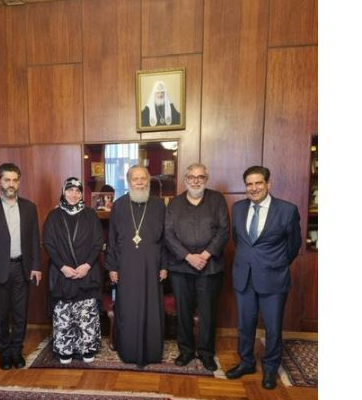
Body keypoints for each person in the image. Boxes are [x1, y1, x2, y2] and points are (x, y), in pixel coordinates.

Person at [225, 166, 301, 390]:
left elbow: (293, 246)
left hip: (273, 278)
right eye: (249, 184)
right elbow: (238, 240)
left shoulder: (287, 210)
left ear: (269, 184)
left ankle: (270, 369)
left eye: (258, 183)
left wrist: (275, 263)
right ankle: (246, 363)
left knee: (273, 328)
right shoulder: (238, 208)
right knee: (245, 325)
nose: (254, 188)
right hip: (244, 277)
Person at [0, 163, 42, 370]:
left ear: (19, 182)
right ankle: (4, 352)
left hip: (22, 268)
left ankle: (16, 351)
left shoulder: (29, 208)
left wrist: (36, 266)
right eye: (7, 180)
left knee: (21, 314)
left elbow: (34, 239)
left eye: (14, 180)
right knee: (1, 314)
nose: (11, 184)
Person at [164, 163, 229, 372]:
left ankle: (206, 353)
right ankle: (185, 351)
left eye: (200, 177)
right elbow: (168, 234)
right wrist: (188, 257)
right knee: (183, 311)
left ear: (206, 179)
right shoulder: (175, 203)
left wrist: (205, 254)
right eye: (191, 177)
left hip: (210, 266)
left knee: (208, 312)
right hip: (181, 267)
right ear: (185, 179)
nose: (196, 181)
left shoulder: (217, 199)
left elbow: (224, 230)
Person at [106, 165, 168, 367]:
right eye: (135, 179)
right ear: (129, 182)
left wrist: (164, 266)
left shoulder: (159, 205)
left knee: (151, 308)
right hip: (126, 266)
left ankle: (151, 351)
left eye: (143, 178)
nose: (140, 182)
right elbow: (112, 239)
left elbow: (165, 239)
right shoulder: (119, 206)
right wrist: (112, 267)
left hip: (152, 266)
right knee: (128, 308)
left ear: (148, 181)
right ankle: (128, 350)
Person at [42, 177, 104, 364]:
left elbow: (98, 242)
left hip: (87, 272)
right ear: (63, 192)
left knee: (86, 314)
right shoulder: (54, 216)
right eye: (70, 190)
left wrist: (87, 265)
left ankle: (87, 348)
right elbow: (48, 244)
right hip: (62, 273)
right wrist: (63, 267)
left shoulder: (90, 214)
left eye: (77, 191)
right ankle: (65, 350)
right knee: (64, 315)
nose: (74, 194)